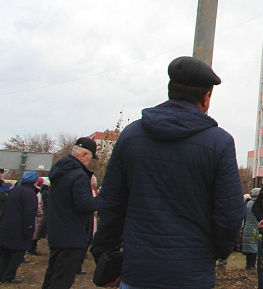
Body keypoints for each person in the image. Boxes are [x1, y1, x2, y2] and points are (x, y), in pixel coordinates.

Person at [92, 56, 245, 289]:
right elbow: (230, 214)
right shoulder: (219, 143)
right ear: (206, 98)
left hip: (137, 270)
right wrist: (214, 253)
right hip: (191, 273)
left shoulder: (131, 135)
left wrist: (105, 256)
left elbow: (111, 203)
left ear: (170, 90)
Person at [41, 139, 99, 289]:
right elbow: (84, 205)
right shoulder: (78, 175)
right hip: (71, 234)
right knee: (62, 279)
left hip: (57, 231)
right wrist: (102, 200)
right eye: (90, 157)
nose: (89, 161)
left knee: (53, 273)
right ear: (84, 154)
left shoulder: (60, 171)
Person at [0, 171, 38, 283]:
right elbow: (29, 213)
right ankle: (8, 277)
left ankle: (2, 274)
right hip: (19, 228)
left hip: (6, 226)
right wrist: (29, 229)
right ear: (34, 181)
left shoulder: (14, 190)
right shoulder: (30, 194)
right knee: (17, 255)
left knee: (4, 253)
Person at [242, 188, 261, 271]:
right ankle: (252, 265)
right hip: (255, 227)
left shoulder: (248, 203)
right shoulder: (258, 204)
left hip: (247, 227)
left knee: (248, 246)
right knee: (254, 246)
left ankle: (247, 264)